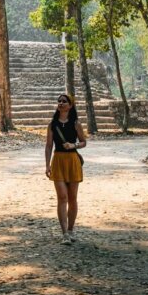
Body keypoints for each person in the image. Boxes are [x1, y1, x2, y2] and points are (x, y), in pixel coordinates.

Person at [45, 93, 86, 244]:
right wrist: (47, 164)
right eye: (59, 101)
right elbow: (49, 146)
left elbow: (83, 142)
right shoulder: (52, 125)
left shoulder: (76, 124)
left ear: (70, 105)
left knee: (72, 198)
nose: (61, 103)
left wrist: (73, 145)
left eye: (64, 101)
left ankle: (71, 229)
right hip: (58, 161)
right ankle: (64, 234)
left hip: (72, 160)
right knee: (62, 197)